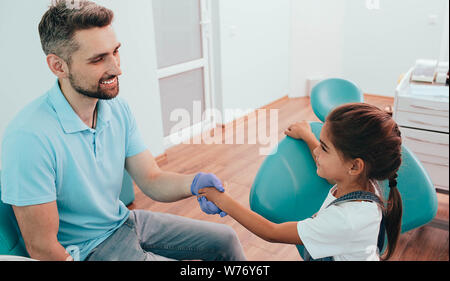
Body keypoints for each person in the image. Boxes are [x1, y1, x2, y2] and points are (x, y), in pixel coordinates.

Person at [0, 0, 245, 261]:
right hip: (87, 250)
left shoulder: (117, 109)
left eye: (115, 51)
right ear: (58, 66)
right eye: (98, 59)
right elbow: (42, 248)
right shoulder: (29, 138)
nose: (117, 68)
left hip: (123, 222)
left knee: (225, 240)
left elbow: (151, 178)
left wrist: (194, 184)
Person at [200, 103, 403, 261]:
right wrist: (308, 136)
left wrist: (221, 199)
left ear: (354, 166)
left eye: (324, 147)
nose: (317, 151)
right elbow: (335, 171)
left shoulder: (345, 221)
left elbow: (272, 232)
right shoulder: (362, 182)